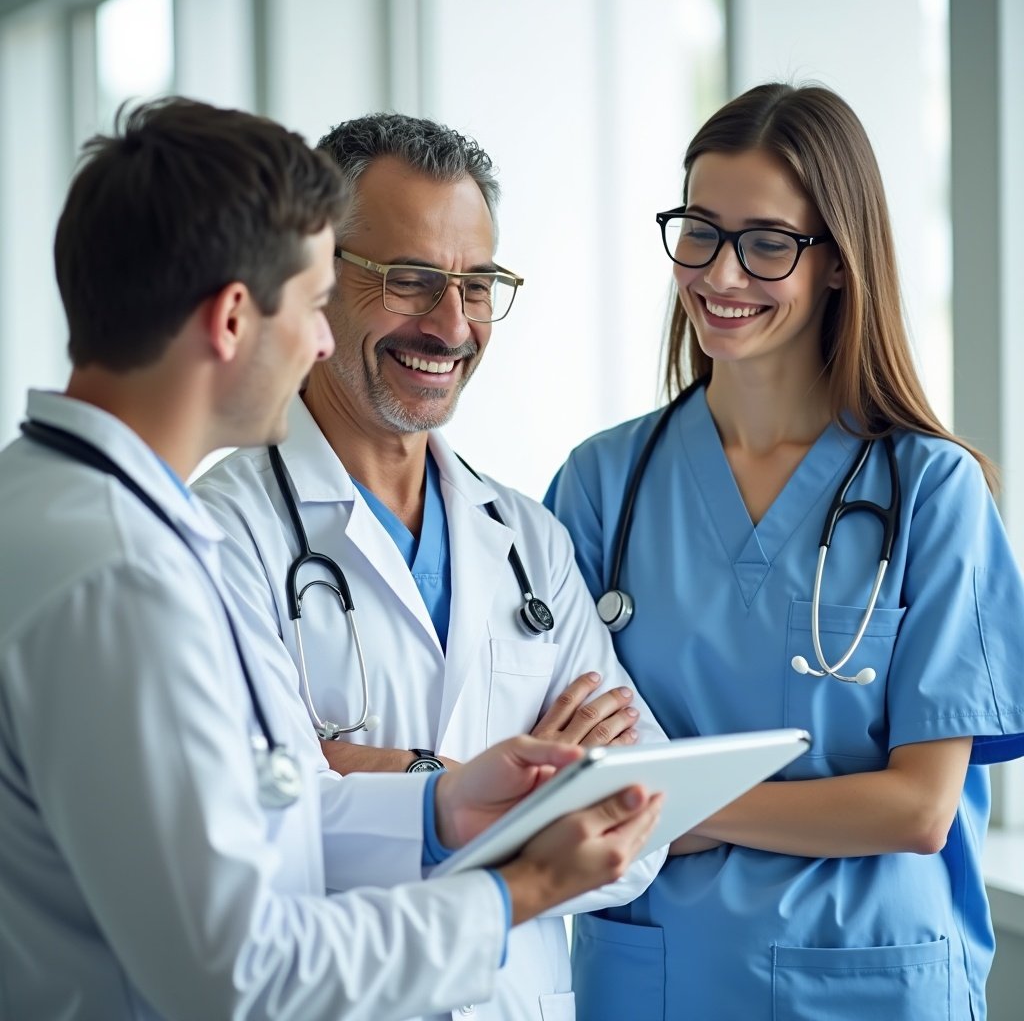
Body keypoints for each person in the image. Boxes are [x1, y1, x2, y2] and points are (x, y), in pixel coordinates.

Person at [0, 97, 664, 1021]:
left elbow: (257, 823)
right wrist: (515, 891)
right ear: (234, 319)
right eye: (314, 304)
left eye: (476, 286)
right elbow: (238, 967)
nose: (318, 341)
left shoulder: (59, 512)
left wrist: (439, 807)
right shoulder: (127, 573)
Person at [545, 82, 1024, 1020]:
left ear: (839, 263)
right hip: (657, 978)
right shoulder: (604, 484)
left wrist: (675, 806)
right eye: (700, 231)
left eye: (767, 243)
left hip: (867, 978)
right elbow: (562, 762)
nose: (721, 275)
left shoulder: (930, 491)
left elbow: (919, 809)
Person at [191, 112, 669, 1020]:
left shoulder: (526, 538)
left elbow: (641, 823)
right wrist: (500, 797)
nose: (451, 326)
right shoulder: (222, 532)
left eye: (477, 284)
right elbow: (253, 839)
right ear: (318, 280)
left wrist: (366, 774)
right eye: (411, 281)